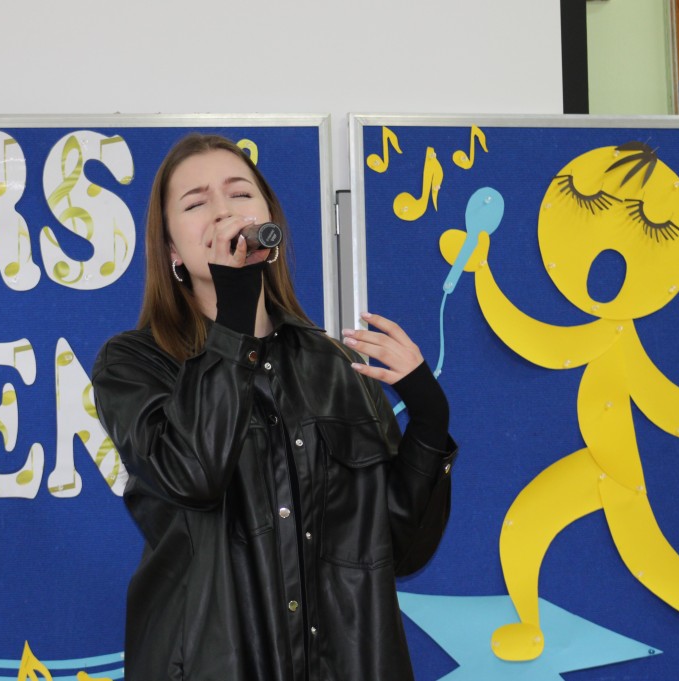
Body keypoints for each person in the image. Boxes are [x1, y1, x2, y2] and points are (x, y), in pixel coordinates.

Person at [92, 133, 456, 681]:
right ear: (171, 251)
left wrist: (429, 421)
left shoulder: (333, 365)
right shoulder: (134, 364)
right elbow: (195, 473)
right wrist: (235, 317)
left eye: (240, 194)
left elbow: (397, 552)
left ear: (270, 223)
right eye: (195, 203)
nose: (223, 211)